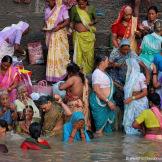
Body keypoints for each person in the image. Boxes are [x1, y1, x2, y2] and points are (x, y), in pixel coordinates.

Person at [108, 39, 150, 110]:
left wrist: (148, 76)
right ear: (120, 47)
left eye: (127, 49)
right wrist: (115, 65)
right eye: (124, 49)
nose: (126, 51)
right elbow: (108, 65)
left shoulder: (131, 53)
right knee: (118, 87)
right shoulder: (115, 52)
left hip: (126, 73)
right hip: (115, 72)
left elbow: (143, 65)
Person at [89, 54, 116, 136]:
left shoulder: (103, 72)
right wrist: (108, 101)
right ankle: (99, 147)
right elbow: (96, 90)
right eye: (107, 61)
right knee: (99, 130)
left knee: (107, 129)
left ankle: (107, 146)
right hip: (100, 104)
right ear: (102, 62)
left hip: (107, 103)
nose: (108, 62)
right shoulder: (97, 73)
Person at [44, 0, 70, 82]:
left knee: (60, 56)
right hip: (50, 35)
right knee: (52, 56)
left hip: (60, 35)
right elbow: (46, 22)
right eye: (47, 1)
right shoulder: (47, 10)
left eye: (49, 1)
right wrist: (45, 28)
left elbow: (67, 21)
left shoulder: (62, 8)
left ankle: (62, 76)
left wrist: (59, 27)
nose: (48, 3)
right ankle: (53, 78)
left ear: (55, 1)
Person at [59, 63, 90, 128]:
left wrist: (61, 84)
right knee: (78, 128)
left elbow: (61, 88)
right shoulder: (80, 78)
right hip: (79, 104)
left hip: (72, 105)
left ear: (70, 72)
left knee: (71, 127)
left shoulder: (73, 78)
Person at [123, 58, 148, 135]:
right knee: (129, 126)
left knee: (139, 124)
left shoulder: (140, 76)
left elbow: (145, 92)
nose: (126, 68)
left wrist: (132, 98)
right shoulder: (128, 78)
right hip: (130, 103)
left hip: (139, 103)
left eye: (127, 66)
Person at [71, 0, 96, 74]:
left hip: (88, 36)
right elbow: (72, 21)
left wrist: (92, 22)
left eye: (82, 4)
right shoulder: (74, 9)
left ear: (86, 2)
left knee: (89, 56)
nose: (81, 6)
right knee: (78, 56)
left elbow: (96, 19)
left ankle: (88, 74)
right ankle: (79, 74)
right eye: (79, 4)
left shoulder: (91, 8)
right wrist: (70, 29)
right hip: (78, 36)